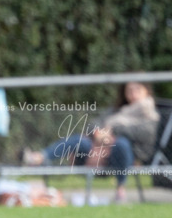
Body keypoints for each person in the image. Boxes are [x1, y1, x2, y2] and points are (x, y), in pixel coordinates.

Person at [23, 82, 159, 203]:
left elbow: (144, 135)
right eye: (129, 90)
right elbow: (92, 125)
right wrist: (97, 133)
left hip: (125, 157)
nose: (133, 94)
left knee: (121, 144)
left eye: (137, 89)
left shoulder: (150, 114)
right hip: (96, 152)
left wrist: (112, 133)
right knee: (78, 140)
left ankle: (120, 190)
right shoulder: (116, 111)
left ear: (146, 90)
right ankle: (39, 157)